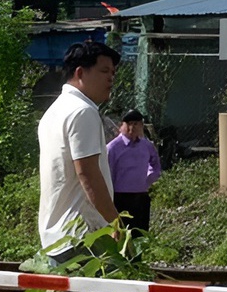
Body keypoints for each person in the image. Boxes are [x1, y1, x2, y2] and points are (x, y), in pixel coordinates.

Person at [37, 40, 122, 257]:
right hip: (83, 235)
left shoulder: (54, 111)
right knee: (95, 291)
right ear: (80, 73)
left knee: (70, 290)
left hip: (57, 236)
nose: (111, 77)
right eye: (104, 70)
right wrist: (115, 222)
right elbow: (87, 173)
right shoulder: (83, 112)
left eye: (113, 72)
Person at [106, 109, 161, 235]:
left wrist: (147, 181)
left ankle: (139, 255)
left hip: (141, 196)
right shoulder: (113, 148)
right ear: (121, 126)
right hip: (120, 198)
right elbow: (107, 173)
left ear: (141, 126)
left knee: (140, 234)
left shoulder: (146, 146)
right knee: (122, 235)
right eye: (129, 124)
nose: (132, 128)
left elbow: (156, 166)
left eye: (136, 124)